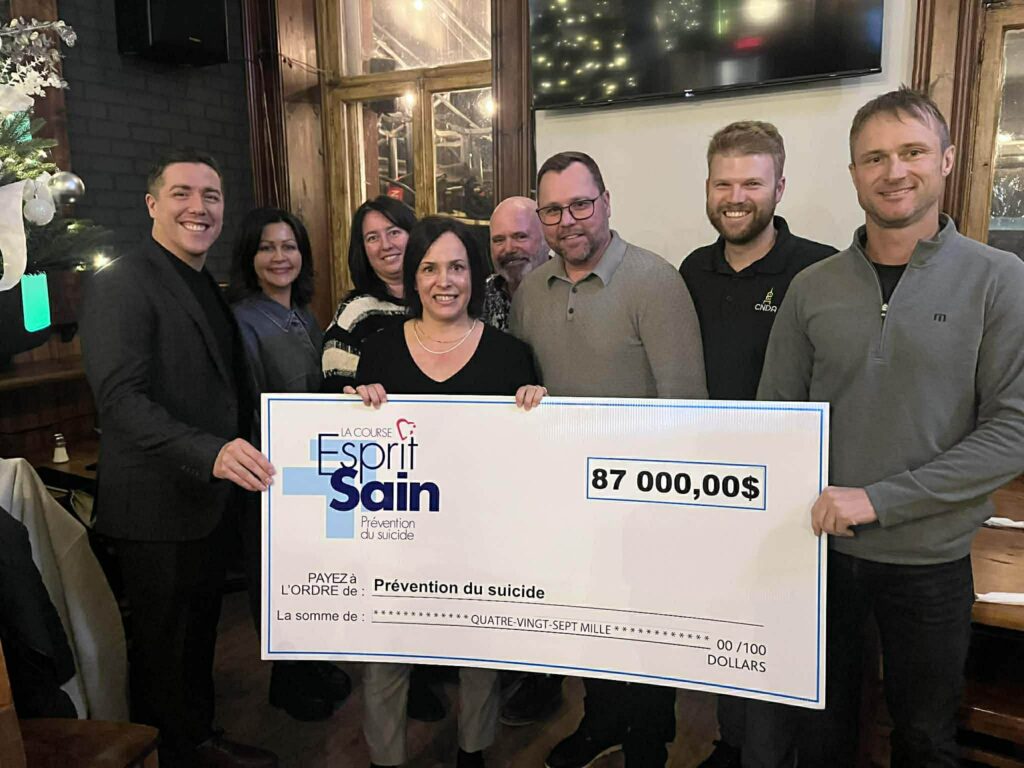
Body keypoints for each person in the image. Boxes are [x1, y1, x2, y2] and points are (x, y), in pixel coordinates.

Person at [758, 87, 1024, 766]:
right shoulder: (812, 288)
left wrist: (878, 500)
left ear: (947, 160)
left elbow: (1012, 432)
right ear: (853, 173)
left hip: (931, 561)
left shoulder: (999, 280)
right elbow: (776, 418)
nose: (893, 171)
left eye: (912, 152)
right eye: (873, 158)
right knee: (821, 735)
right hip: (821, 558)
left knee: (925, 740)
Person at [80, 149, 277, 768]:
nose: (199, 207)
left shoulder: (205, 285)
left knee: (197, 639)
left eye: (211, 196)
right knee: (162, 650)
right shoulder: (121, 282)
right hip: (155, 510)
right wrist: (210, 453)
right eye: (182, 194)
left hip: (207, 502)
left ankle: (198, 738)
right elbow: (121, 403)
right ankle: (169, 753)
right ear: (152, 204)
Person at [510, 151, 707, 768]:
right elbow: (523, 389)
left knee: (646, 633)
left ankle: (648, 743)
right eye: (552, 210)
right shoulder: (531, 291)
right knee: (585, 627)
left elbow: (685, 404)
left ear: (606, 203)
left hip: (643, 497)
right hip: (563, 499)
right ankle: (599, 724)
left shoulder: (656, 281)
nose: (567, 220)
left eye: (580, 204)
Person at [347, 215, 546, 768]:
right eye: (430, 268)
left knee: (478, 653)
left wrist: (537, 408)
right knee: (385, 657)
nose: (444, 281)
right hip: (397, 532)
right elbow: (356, 447)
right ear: (413, 277)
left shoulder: (511, 355)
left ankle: (472, 751)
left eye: (457, 267)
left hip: (479, 534)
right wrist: (356, 408)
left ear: (474, 275)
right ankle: (384, 758)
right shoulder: (379, 351)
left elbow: (529, 460)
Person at [680, 122, 835, 768]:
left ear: (780, 187)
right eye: (724, 183)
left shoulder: (820, 268)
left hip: (795, 490)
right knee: (726, 622)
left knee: (783, 632)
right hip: (712, 483)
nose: (736, 197)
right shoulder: (692, 270)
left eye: (751, 182)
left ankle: (775, 753)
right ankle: (732, 741)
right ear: (708, 188)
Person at [228, 207, 352, 722]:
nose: (280, 257)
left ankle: (313, 664)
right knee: (277, 579)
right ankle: (288, 680)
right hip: (270, 471)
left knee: (311, 572)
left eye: (289, 246)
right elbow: (247, 403)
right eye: (267, 248)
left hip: (313, 470)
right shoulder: (242, 321)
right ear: (249, 257)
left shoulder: (305, 315)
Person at [322, 196, 415, 393]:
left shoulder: (440, 302)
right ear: (362, 249)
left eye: (394, 232)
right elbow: (335, 393)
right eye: (373, 238)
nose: (386, 245)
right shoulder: (355, 313)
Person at [481, 195, 550, 331]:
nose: (508, 249)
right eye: (499, 240)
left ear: (546, 239)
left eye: (520, 237)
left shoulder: (570, 295)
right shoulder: (478, 297)